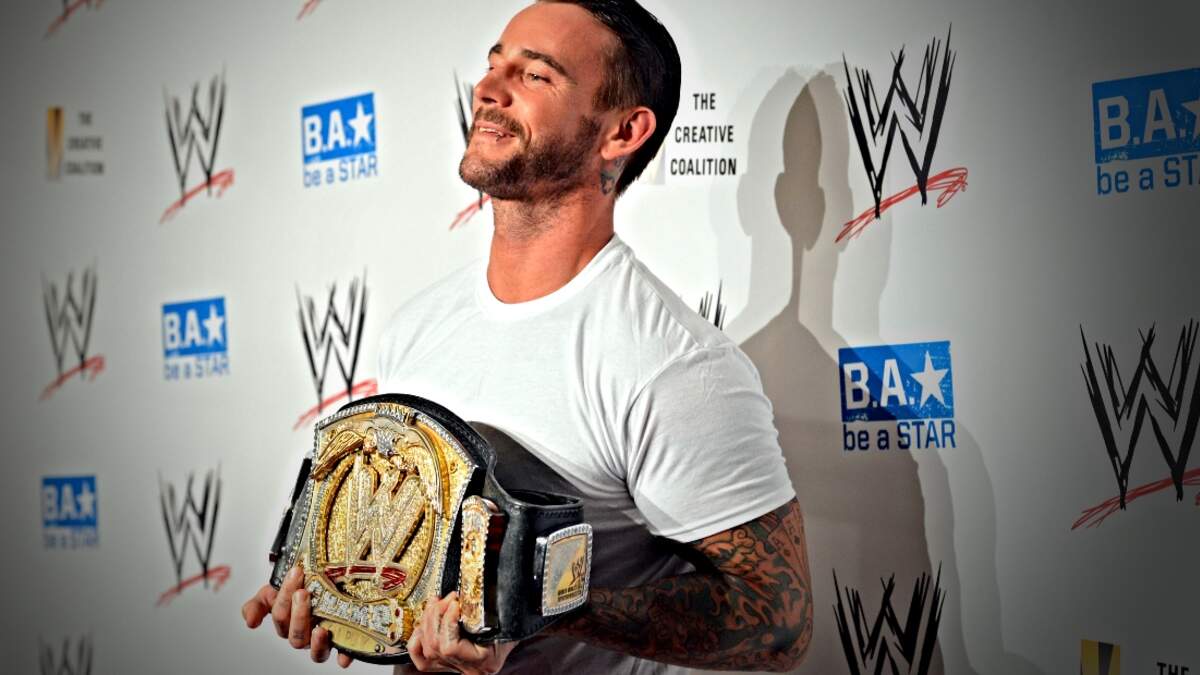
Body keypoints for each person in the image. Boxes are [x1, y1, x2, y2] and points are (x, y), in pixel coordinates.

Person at [242, 1, 812, 673]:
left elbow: (777, 620)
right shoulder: (416, 327)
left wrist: (529, 606)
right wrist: (341, 599)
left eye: (536, 75)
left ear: (623, 131)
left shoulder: (670, 363)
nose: (489, 88)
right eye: (494, 65)